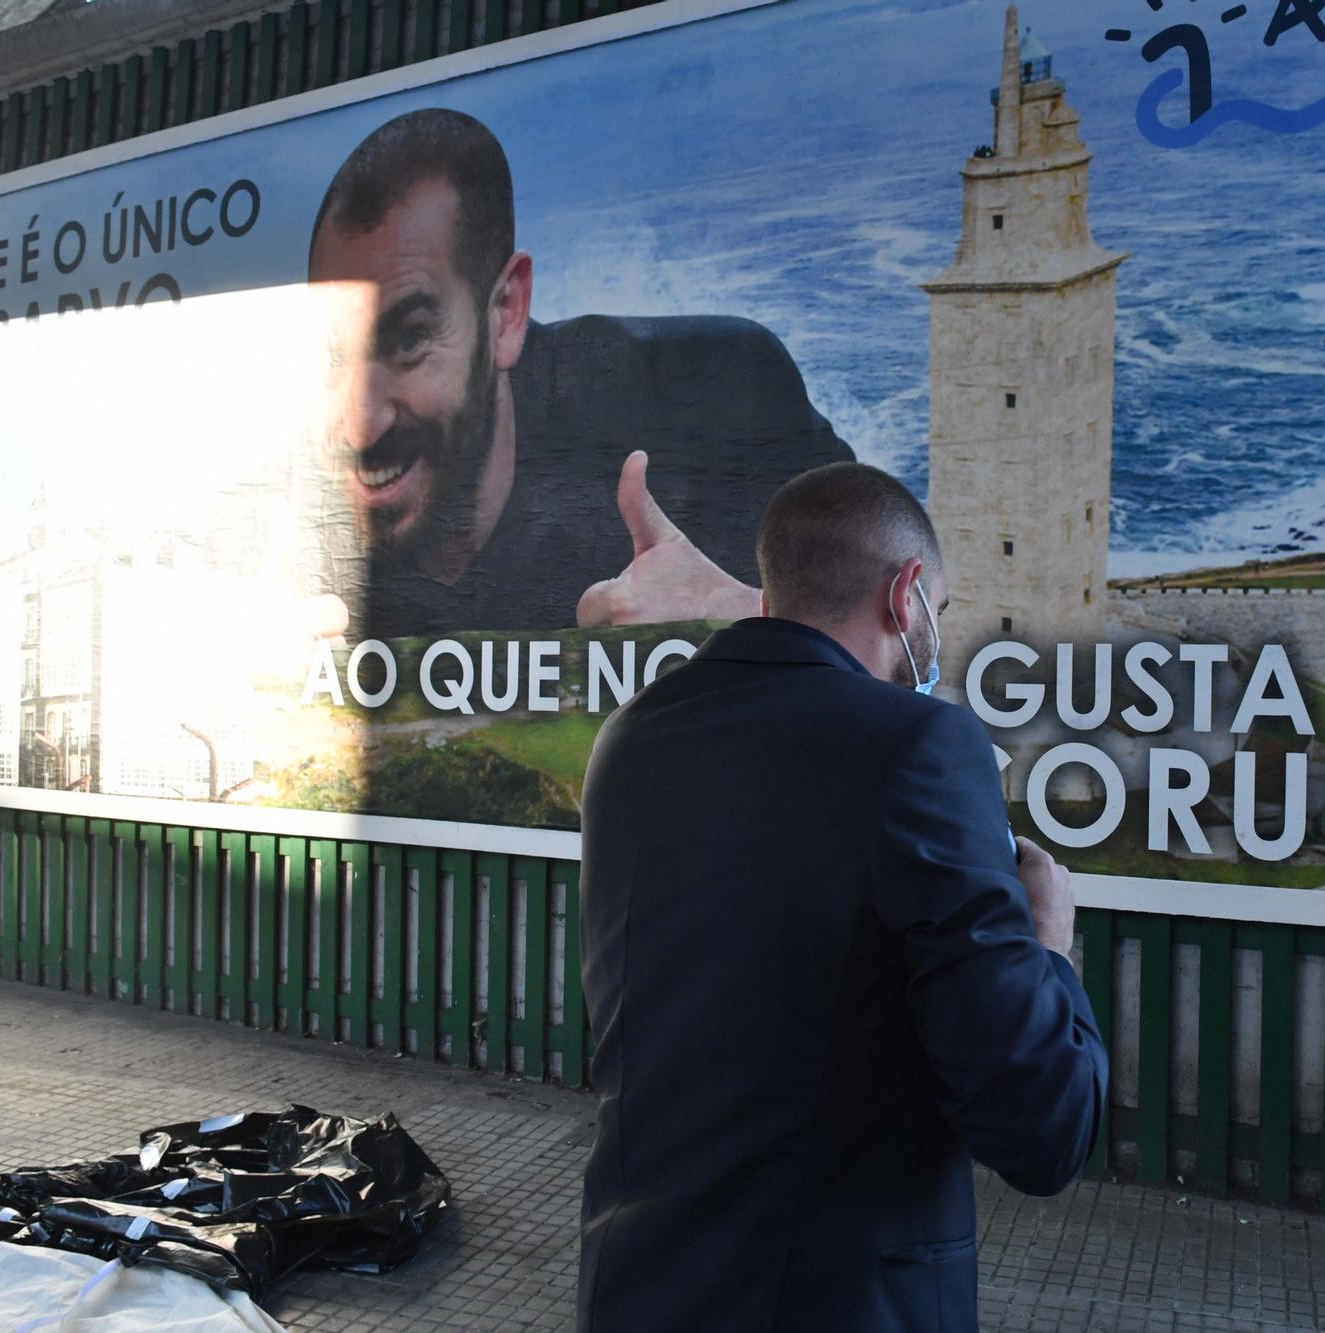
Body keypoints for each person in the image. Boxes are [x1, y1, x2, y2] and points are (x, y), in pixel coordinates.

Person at [576, 462, 1107, 1331]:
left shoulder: (632, 737)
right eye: (943, 604)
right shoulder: (920, 746)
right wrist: (1047, 942)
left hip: (638, 1284)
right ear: (907, 594)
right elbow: (1040, 1127)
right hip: (830, 1299)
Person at [306, 108, 849, 640]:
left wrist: (746, 619)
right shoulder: (274, 510)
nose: (360, 428)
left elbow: (907, 629)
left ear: (506, 312)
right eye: (334, 356)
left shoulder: (726, 392)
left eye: (407, 341)